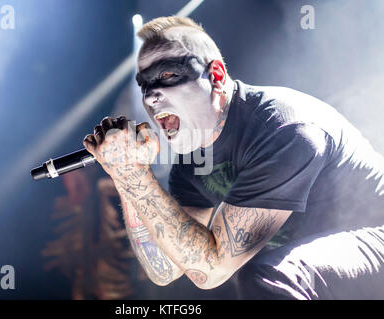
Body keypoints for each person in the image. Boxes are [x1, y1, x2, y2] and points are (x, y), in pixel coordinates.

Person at [82, 16, 384, 299]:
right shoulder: (193, 162)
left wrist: (134, 175)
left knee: (271, 275)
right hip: (322, 265)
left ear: (216, 76)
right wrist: (125, 174)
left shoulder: (283, 129)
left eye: (168, 75)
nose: (150, 96)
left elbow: (212, 269)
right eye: (145, 85)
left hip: (375, 239)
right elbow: (166, 268)